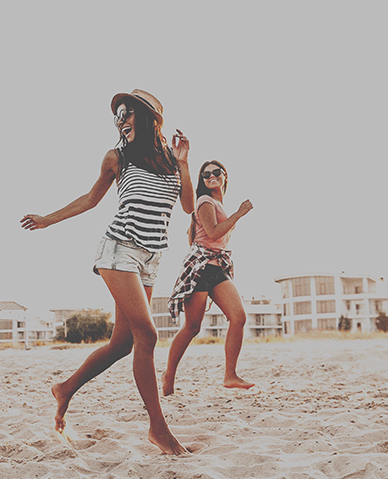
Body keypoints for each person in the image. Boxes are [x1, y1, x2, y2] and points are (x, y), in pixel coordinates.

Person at [21, 89, 194, 455]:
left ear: (149, 119)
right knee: (147, 335)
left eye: (128, 113)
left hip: (152, 257)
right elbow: (90, 199)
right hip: (118, 250)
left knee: (123, 342)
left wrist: (184, 162)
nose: (121, 120)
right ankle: (158, 429)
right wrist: (46, 220)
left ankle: (65, 388)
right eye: (118, 115)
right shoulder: (117, 157)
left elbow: (189, 205)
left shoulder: (169, 159)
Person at [163, 160, 254, 396]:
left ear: (225, 175)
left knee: (238, 317)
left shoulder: (216, 203)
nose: (211, 176)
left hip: (218, 265)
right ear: (202, 180)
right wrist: (239, 214)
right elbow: (213, 232)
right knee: (192, 327)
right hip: (202, 267)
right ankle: (169, 375)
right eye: (205, 174)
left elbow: (195, 233)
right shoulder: (204, 201)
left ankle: (230, 375)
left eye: (216, 172)